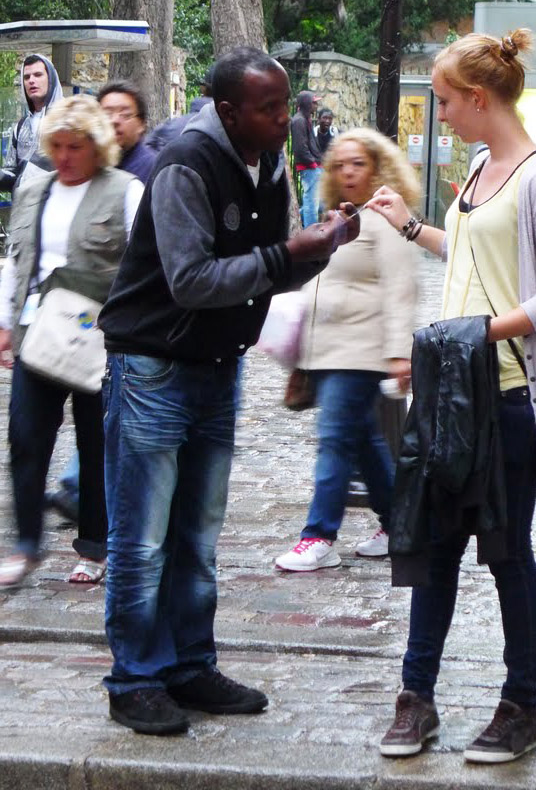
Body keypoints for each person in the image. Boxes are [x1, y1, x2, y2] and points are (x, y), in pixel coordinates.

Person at [97, 46, 359, 736]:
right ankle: (135, 679)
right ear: (227, 110)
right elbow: (193, 280)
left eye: (285, 104)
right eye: (270, 108)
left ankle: (189, 665)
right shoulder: (187, 163)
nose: (285, 119)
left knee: (198, 534)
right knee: (142, 538)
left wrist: (322, 247)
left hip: (217, 364)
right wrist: (288, 255)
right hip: (154, 364)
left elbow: (265, 271)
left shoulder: (267, 162)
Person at [368, 29, 536, 764]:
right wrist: (410, 225)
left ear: (477, 97)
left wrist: (482, 332)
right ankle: (416, 698)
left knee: (505, 553)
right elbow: (470, 252)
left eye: (443, 101)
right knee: (433, 549)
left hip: (505, 395)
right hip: (450, 392)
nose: (442, 114)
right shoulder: (479, 171)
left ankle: (520, 705)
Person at [0, 95, 144, 589]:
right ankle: (26, 543)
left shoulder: (125, 191)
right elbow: (16, 260)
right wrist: (5, 322)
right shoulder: (33, 190)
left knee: (95, 440)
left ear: (95, 146)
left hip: (99, 338)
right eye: (56, 145)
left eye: (75, 146)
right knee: (24, 436)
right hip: (38, 333)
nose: (64, 155)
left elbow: (145, 263)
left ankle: (95, 544)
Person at [275, 129, 419, 572]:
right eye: (341, 164)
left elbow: (401, 287)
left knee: (336, 440)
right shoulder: (335, 216)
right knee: (363, 441)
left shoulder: (386, 219)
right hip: (326, 349)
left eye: (359, 163)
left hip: (361, 351)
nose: (349, 172)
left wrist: (399, 352)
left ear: (377, 167)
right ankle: (400, 524)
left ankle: (318, 536)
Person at [45, 81, 158, 522]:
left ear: (141, 122)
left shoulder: (145, 171)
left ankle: (91, 502)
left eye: (124, 112)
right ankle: (79, 489)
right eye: (106, 110)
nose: (114, 119)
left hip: (116, 321)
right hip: (71, 318)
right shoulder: (76, 175)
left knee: (102, 421)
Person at [0, 54, 63, 193]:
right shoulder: (21, 126)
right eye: (27, 77)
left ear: (50, 79)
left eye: (38, 75)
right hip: (24, 210)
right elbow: (13, 173)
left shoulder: (65, 120)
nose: (31, 81)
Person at [97, 80, 157, 183]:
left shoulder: (153, 169)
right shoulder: (88, 166)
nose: (114, 120)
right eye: (107, 114)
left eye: (125, 114)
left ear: (141, 124)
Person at [291, 90, 323, 227]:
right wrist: (313, 164)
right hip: (309, 168)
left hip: (314, 166)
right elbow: (300, 148)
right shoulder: (299, 121)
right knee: (311, 202)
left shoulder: (305, 119)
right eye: (314, 102)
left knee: (317, 202)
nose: (316, 105)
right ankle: (311, 232)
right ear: (307, 104)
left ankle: (296, 222)